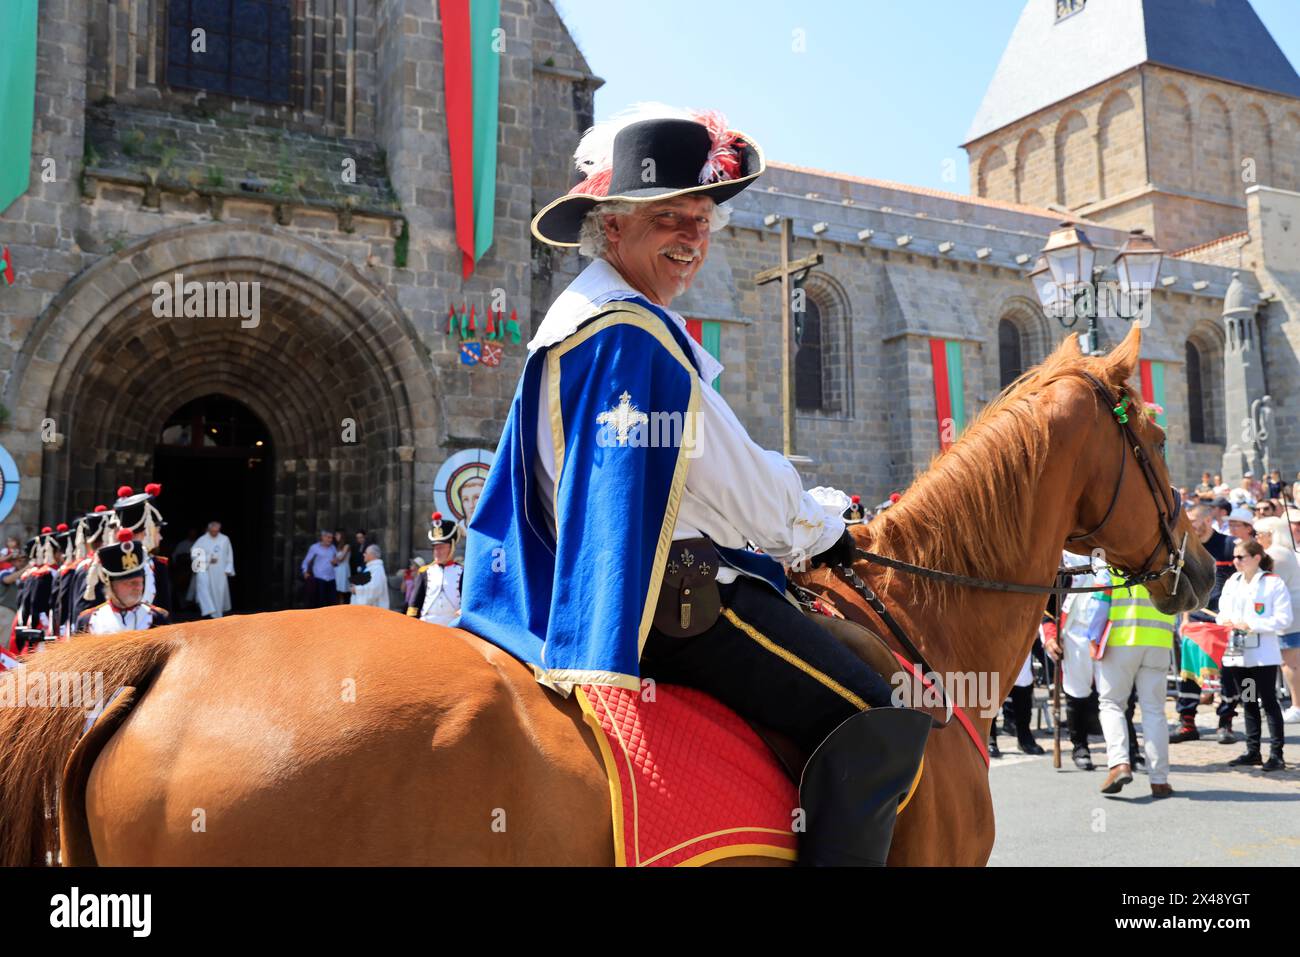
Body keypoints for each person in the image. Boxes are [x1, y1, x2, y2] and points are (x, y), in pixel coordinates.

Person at [455, 104, 930, 867]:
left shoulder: (581, 321)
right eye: (668, 218)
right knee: (872, 711)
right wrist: (821, 528)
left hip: (588, 591)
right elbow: (741, 486)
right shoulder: (635, 333)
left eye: (702, 220)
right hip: (676, 600)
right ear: (612, 227)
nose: (691, 238)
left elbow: (670, 479)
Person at [1216, 539, 1289, 770]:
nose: (1235, 562)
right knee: (1248, 700)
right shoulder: (1233, 582)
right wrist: (1225, 620)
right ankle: (1253, 750)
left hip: (1263, 656)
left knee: (1268, 701)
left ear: (1257, 558)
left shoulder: (1272, 583)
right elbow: (1222, 611)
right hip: (1239, 655)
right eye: (1234, 557)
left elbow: (1284, 618)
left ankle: (1276, 754)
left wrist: (1252, 624)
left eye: (1241, 557)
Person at [1097, 581, 1175, 798]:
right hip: (1159, 640)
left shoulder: (1114, 564)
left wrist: (1092, 638)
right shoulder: (1171, 564)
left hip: (1121, 638)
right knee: (1154, 710)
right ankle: (1159, 780)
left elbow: (1098, 602)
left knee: (1112, 704)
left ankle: (1119, 764)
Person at [1172, 504, 1236, 743]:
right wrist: (1185, 619)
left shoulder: (1228, 546)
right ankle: (1187, 722)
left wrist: (1231, 618)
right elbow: (1183, 585)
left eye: (1193, 521)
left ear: (1208, 520)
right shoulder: (1186, 547)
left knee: (1229, 675)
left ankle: (1226, 722)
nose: (1189, 526)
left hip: (1223, 621)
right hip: (1195, 620)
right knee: (1189, 674)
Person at [1043, 552, 1111, 770]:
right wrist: (1050, 635)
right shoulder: (1060, 559)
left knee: (1115, 696)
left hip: (1109, 633)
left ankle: (1125, 753)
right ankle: (1080, 747)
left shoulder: (1109, 553)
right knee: (1076, 693)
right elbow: (1046, 605)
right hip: (1074, 634)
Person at [75, 530, 170, 634]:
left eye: (140, 582)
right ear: (111, 584)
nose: (138, 587)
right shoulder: (88, 621)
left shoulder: (157, 618)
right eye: (131, 583)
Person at [407, 513, 462, 626]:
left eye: (441, 547)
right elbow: (414, 603)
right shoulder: (425, 572)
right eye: (435, 548)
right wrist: (411, 624)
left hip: (452, 627)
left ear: (451, 547)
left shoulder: (462, 572)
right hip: (427, 626)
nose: (437, 551)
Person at [191, 521, 235, 619]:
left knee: (219, 591)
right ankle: (210, 612)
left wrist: (228, 568)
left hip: (220, 571)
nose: (214, 533)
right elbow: (194, 552)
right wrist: (208, 558)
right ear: (209, 530)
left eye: (216, 531)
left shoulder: (224, 539)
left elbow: (229, 554)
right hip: (206, 570)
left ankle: (218, 615)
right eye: (212, 531)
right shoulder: (202, 540)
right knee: (207, 591)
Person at [301, 530, 338, 608]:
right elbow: (306, 561)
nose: (330, 540)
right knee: (320, 603)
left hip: (331, 578)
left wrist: (335, 562)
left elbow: (335, 562)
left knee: (332, 603)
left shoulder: (333, 547)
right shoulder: (314, 547)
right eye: (328, 537)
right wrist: (305, 571)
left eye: (331, 538)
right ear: (323, 537)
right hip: (319, 579)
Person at [349, 544, 390, 610]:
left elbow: (375, 589)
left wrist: (356, 589)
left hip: (375, 609)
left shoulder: (377, 569)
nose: (364, 554)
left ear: (372, 555)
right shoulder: (371, 568)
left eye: (366, 553)